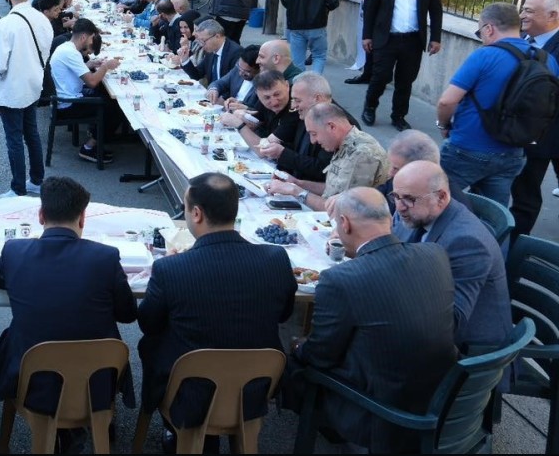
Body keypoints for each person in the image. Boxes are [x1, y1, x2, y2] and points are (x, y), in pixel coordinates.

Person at [289, 187, 455, 452]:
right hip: (442, 395)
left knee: (293, 362)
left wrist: (297, 346)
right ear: (389, 219)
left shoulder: (340, 279)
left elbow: (321, 356)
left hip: (380, 410)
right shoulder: (435, 254)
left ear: (344, 223)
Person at [138, 173, 296, 432]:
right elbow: (283, 314)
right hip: (254, 385)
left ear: (196, 213)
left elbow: (148, 323)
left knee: (155, 341)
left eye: (184, 209)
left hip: (189, 389)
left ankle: (170, 422)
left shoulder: (170, 269)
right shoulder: (276, 259)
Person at [0, 177, 137, 421]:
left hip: (30, 378)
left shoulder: (14, 251)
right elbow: (128, 313)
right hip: (95, 381)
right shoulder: (105, 257)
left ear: (41, 215)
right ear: (82, 218)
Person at [437, 2, 559, 207]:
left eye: (480, 31)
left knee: (434, 202)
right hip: (512, 152)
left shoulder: (485, 55)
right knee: (492, 213)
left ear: (489, 28)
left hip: (467, 148)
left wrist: (443, 124)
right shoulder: (547, 60)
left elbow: (447, 101)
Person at [391, 161, 511, 351]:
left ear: (441, 197)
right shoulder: (413, 212)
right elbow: (393, 256)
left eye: (408, 199)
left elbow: (450, 323)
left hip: (466, 353)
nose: (399, 207)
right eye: (395, 196)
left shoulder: (468, 243)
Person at [363, 0, 445, 131]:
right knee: (380, 76)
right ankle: (370, 106)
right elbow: (371, 9)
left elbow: (436, 11)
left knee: (405, 80)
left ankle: (398, 115)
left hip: (413, 40)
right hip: (386, 38)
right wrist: (367, 36)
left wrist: (436, 38)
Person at [0, 0, 54, 198]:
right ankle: (36, 179)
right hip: (34, 83)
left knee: (15, 139)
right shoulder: (42, 19)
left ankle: (18, 188)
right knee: (31, 133)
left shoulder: (5, 24)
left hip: (12, 89)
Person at [266, 103, 390, 211]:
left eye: (314, 134)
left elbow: (342, 210)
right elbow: (333, 189)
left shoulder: (362, 154)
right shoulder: (344, 143)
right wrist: (297, 183)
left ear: (331, 126)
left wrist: (297, 192)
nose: (313, 141)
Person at [511, 0, 559, 238]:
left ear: (553, 15)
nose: (522, 15)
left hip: (553, 132)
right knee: (526, 192)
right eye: (523, 9)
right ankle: (515, 246)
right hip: (528, 133)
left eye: (529, 10)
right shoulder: (520, 38)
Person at [49, 18, 125, 163]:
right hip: (68, 104)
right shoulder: (71, 53)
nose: (91, 42)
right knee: (116, 108)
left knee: (105, 95)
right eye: (91, 38)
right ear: (84, 37)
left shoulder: (67, 48)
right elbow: (92, 82)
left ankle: (96, 133)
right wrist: (105, 66)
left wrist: (91, 63)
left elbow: (77, 70)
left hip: (65, 97)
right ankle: (89, 148)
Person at [256, 72, 341, 183]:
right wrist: (278, 149)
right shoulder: (306, 113)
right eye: (293, 100)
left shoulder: (335, 124)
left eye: (297, 100)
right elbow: (300, 150)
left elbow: (324, 170)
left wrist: (283, 154)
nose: (293, 105)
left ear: (317, 99)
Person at [220, 70, 301, 151]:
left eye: (277, 94)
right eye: (267, 98)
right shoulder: (262, 100)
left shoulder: (295, 107)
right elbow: (255, 122)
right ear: (257, 94)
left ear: (287, 86)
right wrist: (242, 115)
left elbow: (264, 149)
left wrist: (239, 124)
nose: (274, 102)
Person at [178, 18, 241, 85]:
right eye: (200, 41)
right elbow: (197, 75)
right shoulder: (211, 51)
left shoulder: (235, 52)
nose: (201, 45)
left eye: (203, 41)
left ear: (217, 36)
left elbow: (234, 83)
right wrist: (185, 59)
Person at [206, 44, 261, 112]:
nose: (240, 73)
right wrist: (213, 89)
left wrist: (245, 108)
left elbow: (261, 113)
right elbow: (220, 83)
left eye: (247, 71)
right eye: (240, 68)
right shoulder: (238, 68)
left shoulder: (263, 83)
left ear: (259, 69)